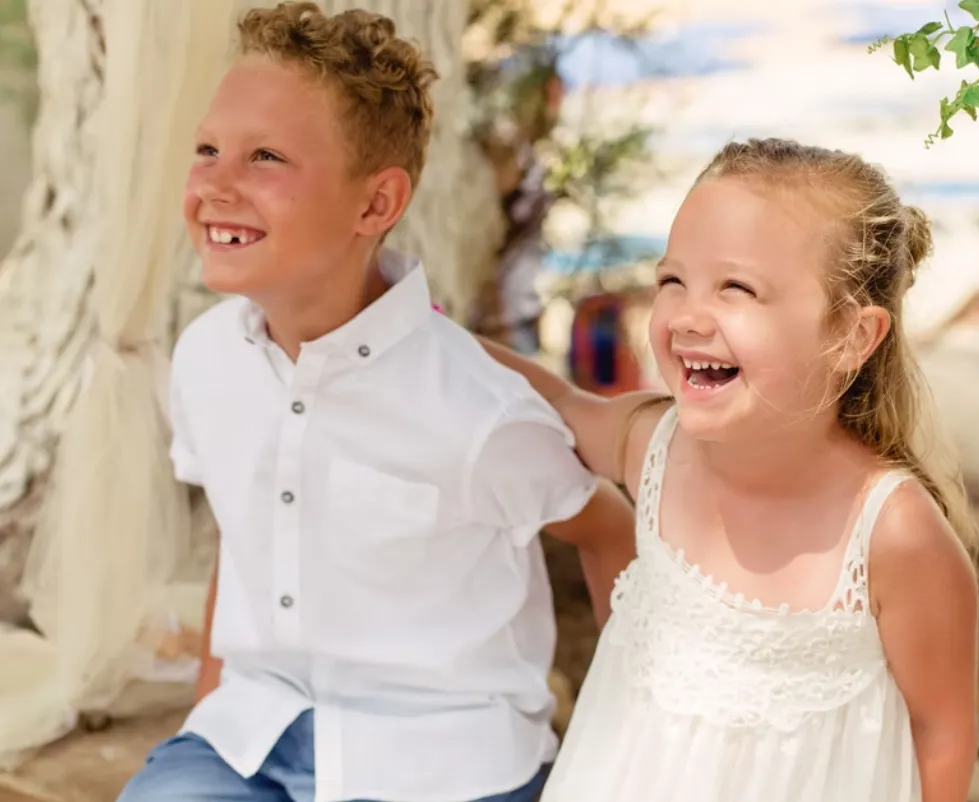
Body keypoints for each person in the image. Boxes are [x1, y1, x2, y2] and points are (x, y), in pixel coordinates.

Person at [117, 4, 635, 802]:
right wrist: (208, 720)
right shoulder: (205, 359)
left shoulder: (475, 407)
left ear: (374, 204)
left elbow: (608, 528)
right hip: (249, 735)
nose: (216, 185)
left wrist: (622, 745)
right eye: (208, 149)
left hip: (444, 761)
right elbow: (243, 532)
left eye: (265, 158)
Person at [482, 138, 979, 802]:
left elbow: (942, 737)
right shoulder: (650, 447)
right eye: (672, 281)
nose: (688, 316)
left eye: (736, 289)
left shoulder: (893, 534)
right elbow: (552, 403)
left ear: (852, 337)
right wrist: (414, 330)